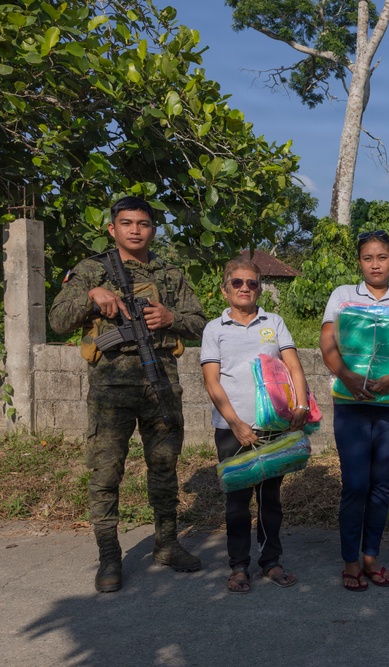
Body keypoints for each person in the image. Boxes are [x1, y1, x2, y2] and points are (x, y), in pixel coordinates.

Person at [49, 196, 207, 593]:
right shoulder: (91, 270)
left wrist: (171, 317)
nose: (135, 230)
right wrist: (91, 295)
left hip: (161, 384)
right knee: (105, 473)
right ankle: (109, 556)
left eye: (143, 223)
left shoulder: (170, 273)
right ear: (112, 228)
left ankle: (166, 544)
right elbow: (57, 320)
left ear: (153, 229)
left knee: (164, 468)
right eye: (126, 223)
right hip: (110, 390)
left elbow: (203, 323)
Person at [319, 229, 389, 592]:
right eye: (368, 258)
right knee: (355, 484)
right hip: (351, 404)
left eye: (382, 257)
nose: (375, 264)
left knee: (380, 485)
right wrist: (347, 377)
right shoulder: (343, 295)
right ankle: (350, 559)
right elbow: (327, 342)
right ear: (359, 262)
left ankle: (371, 556)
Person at [201, 256, 308, 593]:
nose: (245, 288)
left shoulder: (273, 322)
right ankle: (238, 566)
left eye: (252, 283)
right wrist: (235, 423)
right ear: (225, 289)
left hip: (272, 425)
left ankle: (271, 562)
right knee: (236, 500)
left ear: (259, 289)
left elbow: (293, 366)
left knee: (270, 498)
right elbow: (211, 381)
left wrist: (301, 405)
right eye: (237, 282)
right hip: (231, 428)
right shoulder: (215, 329)